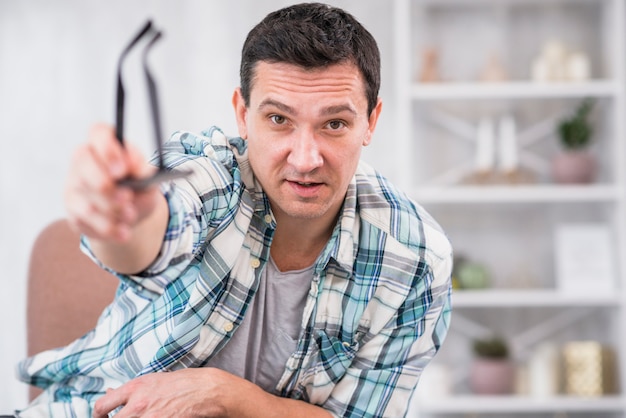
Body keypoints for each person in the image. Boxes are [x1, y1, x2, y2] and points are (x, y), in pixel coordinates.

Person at [16, 3, 452, 417]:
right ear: (242, 115)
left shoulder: (416, 259)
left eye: (334, 124)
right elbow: (157, 231)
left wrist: (223, 395)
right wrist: (121, 217)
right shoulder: (210, 176)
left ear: (370, 123)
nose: (305, 159)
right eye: (279, 119)